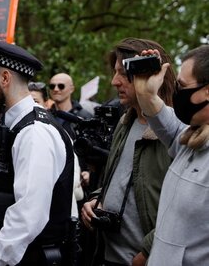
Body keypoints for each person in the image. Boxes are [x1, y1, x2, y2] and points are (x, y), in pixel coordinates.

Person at [0, 38, 74, 266]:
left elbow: (27, 216)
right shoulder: (18, 127)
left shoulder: (34, 133)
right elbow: (8, 188)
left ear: (5, 78)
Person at [80, 38, 176, 266]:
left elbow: (184, 205)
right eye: (115, 73)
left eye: (124, 73)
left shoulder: (177, 133)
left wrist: (147, 253)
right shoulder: (125, 122)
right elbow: (122, 179)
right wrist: (96, 199)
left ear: (149, 74)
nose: (115, 82)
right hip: (106, 255)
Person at [133, 45, 209, 265]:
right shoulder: (191, 138)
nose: (177, 92)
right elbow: (162, 119)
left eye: (182, 86)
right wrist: (144, 92)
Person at [49, 73, 93, 139]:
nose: (56, 89)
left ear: (71, 89)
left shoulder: (85, 117)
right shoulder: (45, 115)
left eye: (61, 86)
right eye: (52, 86)